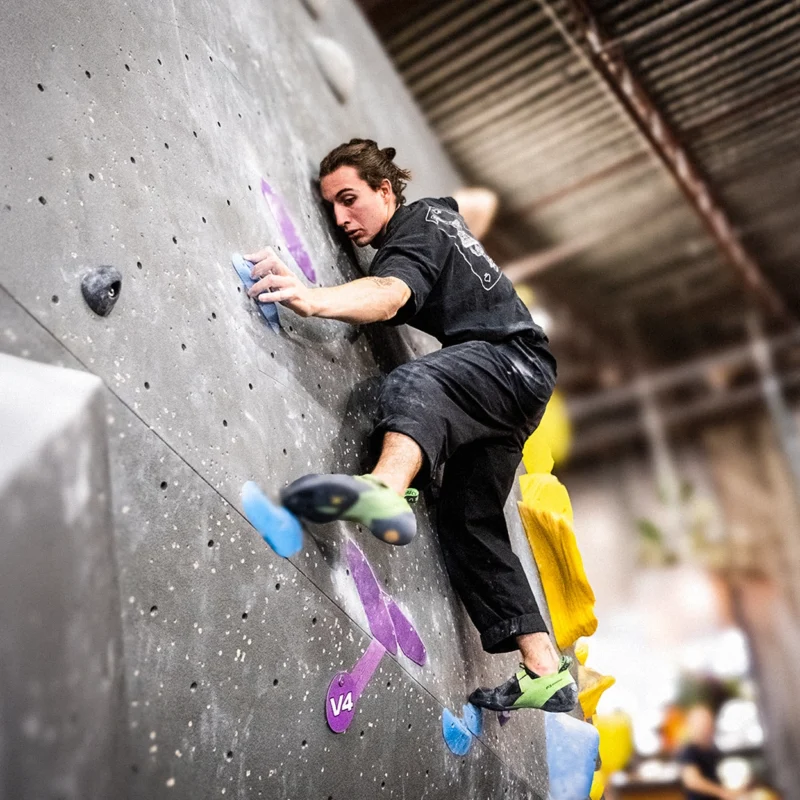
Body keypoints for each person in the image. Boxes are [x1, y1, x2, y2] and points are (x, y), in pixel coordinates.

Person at [244, 138, 576, 713]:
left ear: (385, 190)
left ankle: (385, 490)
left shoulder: (412, 230)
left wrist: (310, 297)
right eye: (331, 209)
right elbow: (472, 203)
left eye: (351, 200)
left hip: (507, 360)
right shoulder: (440, 213)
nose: (343, 219)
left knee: (413, 383)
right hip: (521, 382)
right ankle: (545, 671)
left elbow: (389, 294)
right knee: (469, 523)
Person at [679, 705, 741, 800]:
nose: (706, 729)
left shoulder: (713, 750)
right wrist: (722, 792)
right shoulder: (688, 751)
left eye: (708, 723)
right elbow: (692, 781)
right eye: (702, 724)